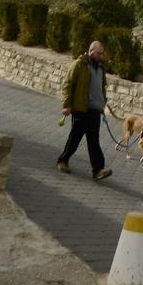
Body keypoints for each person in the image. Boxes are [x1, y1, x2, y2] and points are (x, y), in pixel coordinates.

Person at [57, 40, 113, 181]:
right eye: (99, 54)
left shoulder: (100, 68)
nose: (101, 56)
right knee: (75, 138)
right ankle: (63, 160)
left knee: (93, 141)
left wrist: (103, 102)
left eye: (102, 54)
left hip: (95, 111)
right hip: (81, 109)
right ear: (91, 51)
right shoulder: (79, 65)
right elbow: (67, 85)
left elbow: (101, 88)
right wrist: (66, 105)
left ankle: (98, 170)